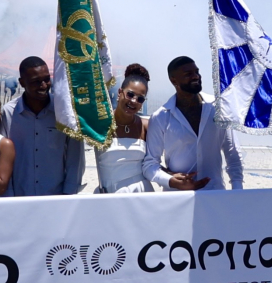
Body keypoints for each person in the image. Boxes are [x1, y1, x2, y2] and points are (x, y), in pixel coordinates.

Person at [146, 55, 244, 190]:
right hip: (177, 198)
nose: (196, 76)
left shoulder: (218, 108)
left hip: (215, 194)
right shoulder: (160, 117)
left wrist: (237, 188)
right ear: (173, 80)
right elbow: (150, 164)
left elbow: (232, 152)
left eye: (197, 72)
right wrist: (172, 181)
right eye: (188, 74)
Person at [4, 55, 91, 196]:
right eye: (36, 82)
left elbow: (75, 157)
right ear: (22, 82)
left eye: (46, 79)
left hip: (55, 197)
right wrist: (8, 195)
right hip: (19, 197)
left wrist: (69, 194)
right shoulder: (8, 113)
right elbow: (3, 158)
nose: (44, 86)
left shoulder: (65, 113)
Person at [91, 66, 155, 192]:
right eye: (130, 94)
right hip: (109, 194)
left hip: (141, 193)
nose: (134, 101)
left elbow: (153, 162)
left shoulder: (146, 126)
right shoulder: (99, 124)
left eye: (140, 98)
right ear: (120, 92)